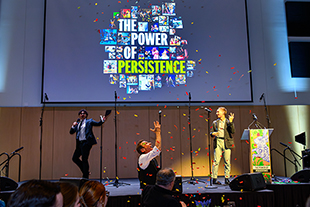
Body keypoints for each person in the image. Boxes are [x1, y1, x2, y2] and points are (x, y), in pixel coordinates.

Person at [70, 109, 106, 179]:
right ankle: (85, 171)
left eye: (83, 113)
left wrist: (102, 120)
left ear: (86, 115)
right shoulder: (78, 123)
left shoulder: (89, 121)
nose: (82, 114)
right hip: (79, 144)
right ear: (79, 115)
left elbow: (98, 123)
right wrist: (73, 126)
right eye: (81, 113)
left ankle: (85, 176)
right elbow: (71, 132)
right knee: (74, 158)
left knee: (84, 159)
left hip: (86, 143)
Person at [210, 107, 235, 185]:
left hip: (226, 142)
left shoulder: (228, 122)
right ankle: (214, 179)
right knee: (216, 161)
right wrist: (213, 133)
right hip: (218, 142)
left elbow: (233, 131)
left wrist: (231, 122)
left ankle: (227, 178)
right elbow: (211, 132)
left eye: (218, 112)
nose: (217, 113)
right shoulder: (215, 122)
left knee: (227, 161)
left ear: (223, 113)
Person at [136, 121, 161, 189]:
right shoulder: (143, 158)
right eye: (146, 144)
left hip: (154, 188)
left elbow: (157, 149)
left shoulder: (150, 158)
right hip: (148, 190)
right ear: (142, 150)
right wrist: (158, 132)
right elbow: (157, 148)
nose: (150, 143)